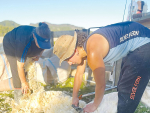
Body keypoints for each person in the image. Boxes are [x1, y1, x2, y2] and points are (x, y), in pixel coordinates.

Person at [53, 21, 150, 113]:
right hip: (135, 43)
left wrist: (94, 105)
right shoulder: (85, 48)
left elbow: (101, 85)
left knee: (128, 93)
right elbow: (79, 74)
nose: (69, 63)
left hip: (145, 42)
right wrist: (74, 97)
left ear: (74, 51)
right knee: (122, 86)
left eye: (68, 59)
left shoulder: (93, 52)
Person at [3, 22, 51, 104]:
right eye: (40, 43)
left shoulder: (44, 35)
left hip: (27, 42)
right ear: (34, 36)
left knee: (28, 66)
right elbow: (20, 66)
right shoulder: (23, 43)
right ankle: (19, 98)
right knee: (16, 69)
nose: (42, 46)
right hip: (10, 44)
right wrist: (23, 82)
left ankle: (28, 90)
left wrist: (39, 54)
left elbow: (43, 47)